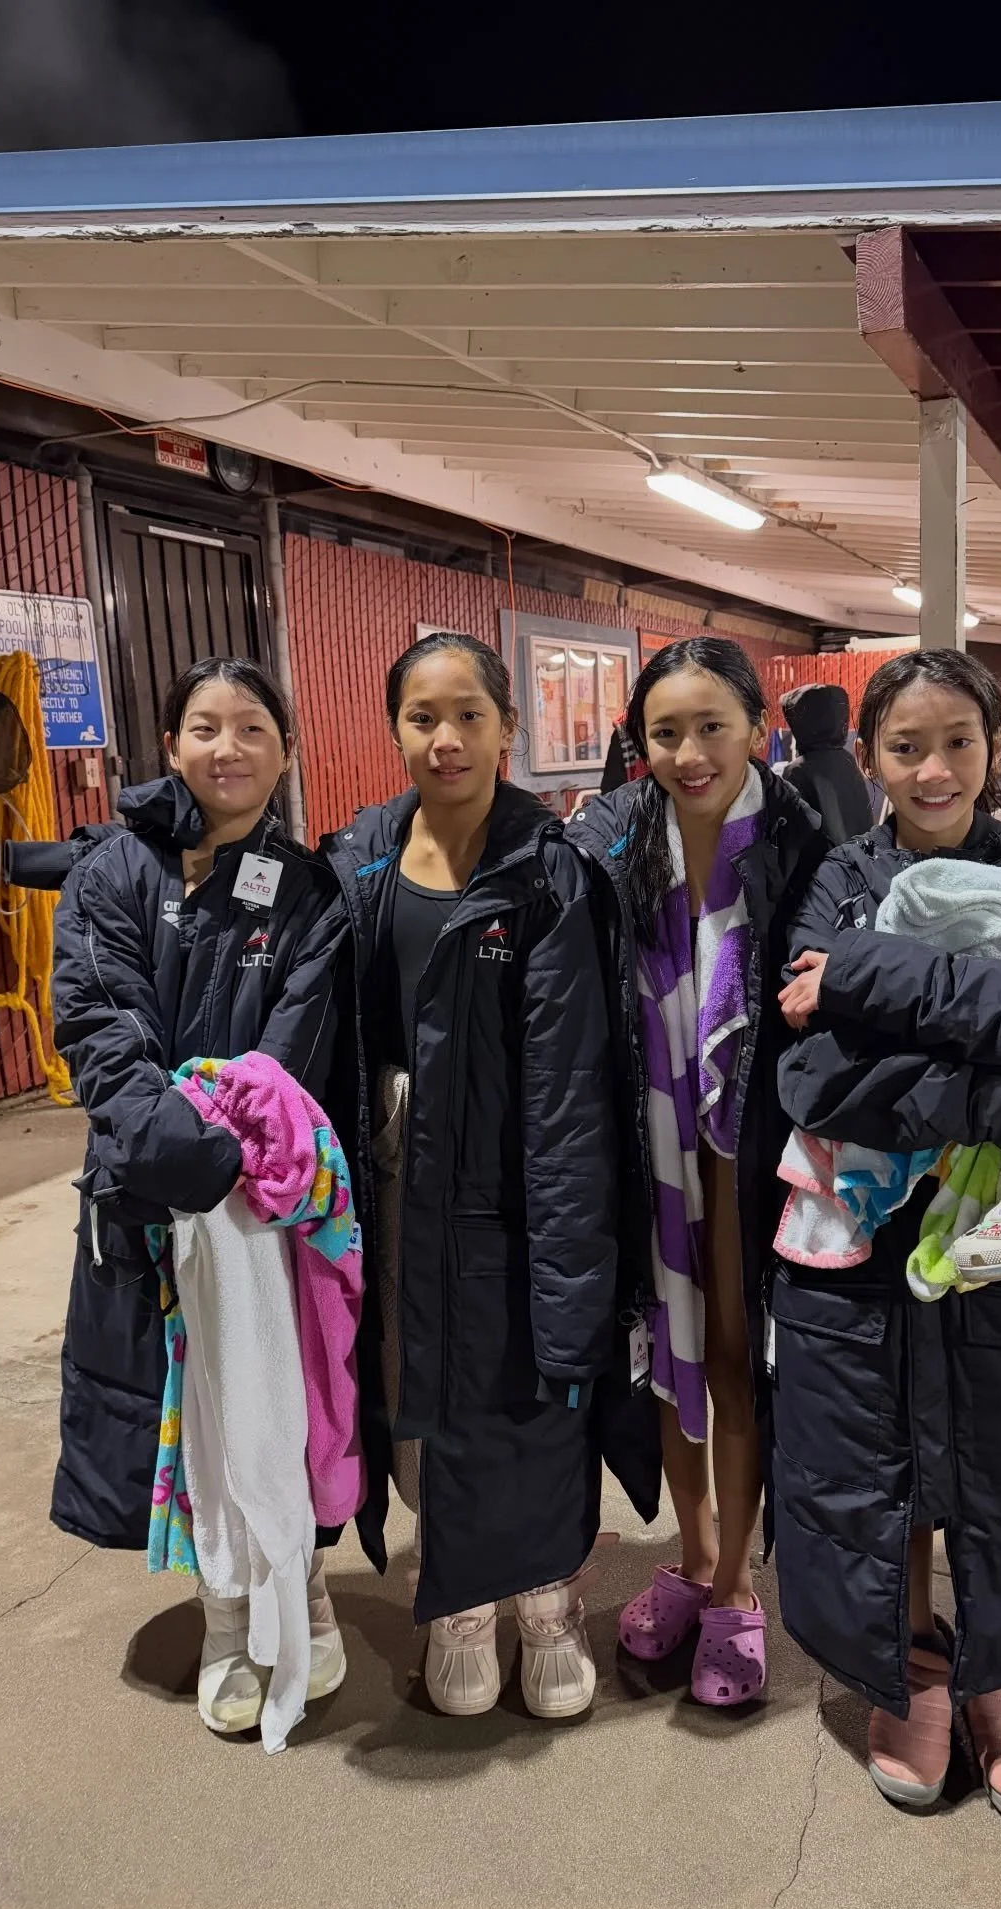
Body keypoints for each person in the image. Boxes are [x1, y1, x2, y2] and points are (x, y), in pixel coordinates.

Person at [772, 648, 1001, 1829]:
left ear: (994, 749)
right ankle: (913, 1666)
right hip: (866, 1237)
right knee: (880, 1462)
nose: (934, 769)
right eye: (906, 746)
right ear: (868, 758)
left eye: (958, 743)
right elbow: (816, 1075)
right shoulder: (834, 879)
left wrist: (872, 973)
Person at [315, 631, 630, 1720]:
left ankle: (545, 1601)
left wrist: (572, 1235)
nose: (444, 739)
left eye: (468, 715)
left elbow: (573, 1075)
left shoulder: (548, 871)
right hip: (399, 1176)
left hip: (521, 1172)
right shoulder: (362, 856)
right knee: (414, 1385)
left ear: (508, 724)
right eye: (420, 717)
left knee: (531, 1385)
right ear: (393, 727)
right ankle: (453, 1606)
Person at [49, 657, 348, 1736]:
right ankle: (225, 1607)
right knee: (195, 1415)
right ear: (170, 744)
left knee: (284, 1407)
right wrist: (181, 1156)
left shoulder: (309, 889)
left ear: (286, 751)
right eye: (205, 727)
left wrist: (236, 1167)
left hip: (262, 1206)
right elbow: (97, 1024)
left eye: (254, 728)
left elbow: (293, 1046)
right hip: (150, 1195)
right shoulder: (112, 873)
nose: (229, 748)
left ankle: (302, 1588)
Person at [568, 638, 828, 1706]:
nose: (687, 752)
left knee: (733, 1351)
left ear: (758, 730)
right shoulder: (606, 840)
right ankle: (691, 1551)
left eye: (711, 726)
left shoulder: (804, 842)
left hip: (746, 1135)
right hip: (646, 1130)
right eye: (664, 732)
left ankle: (735, 1591)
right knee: (662, 1345)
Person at [779, 682, 876, 846]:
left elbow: (791, 832)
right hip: (860, 858)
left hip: (825, 866)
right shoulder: (846, 759)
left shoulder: (798, 770)